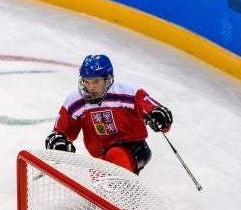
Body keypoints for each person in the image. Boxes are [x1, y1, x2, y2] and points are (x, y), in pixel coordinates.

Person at [44, 54, 173, 174]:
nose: (91, 87)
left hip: (135, 149)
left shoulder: (127, 93)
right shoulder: (75, 101)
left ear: (108, 79)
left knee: (116, 158)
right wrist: (58, 141)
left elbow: (156, 110)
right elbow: (60, 132)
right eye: (86, 81)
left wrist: (160, 118)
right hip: (100, 159)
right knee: (99, 185)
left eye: (96, 82)